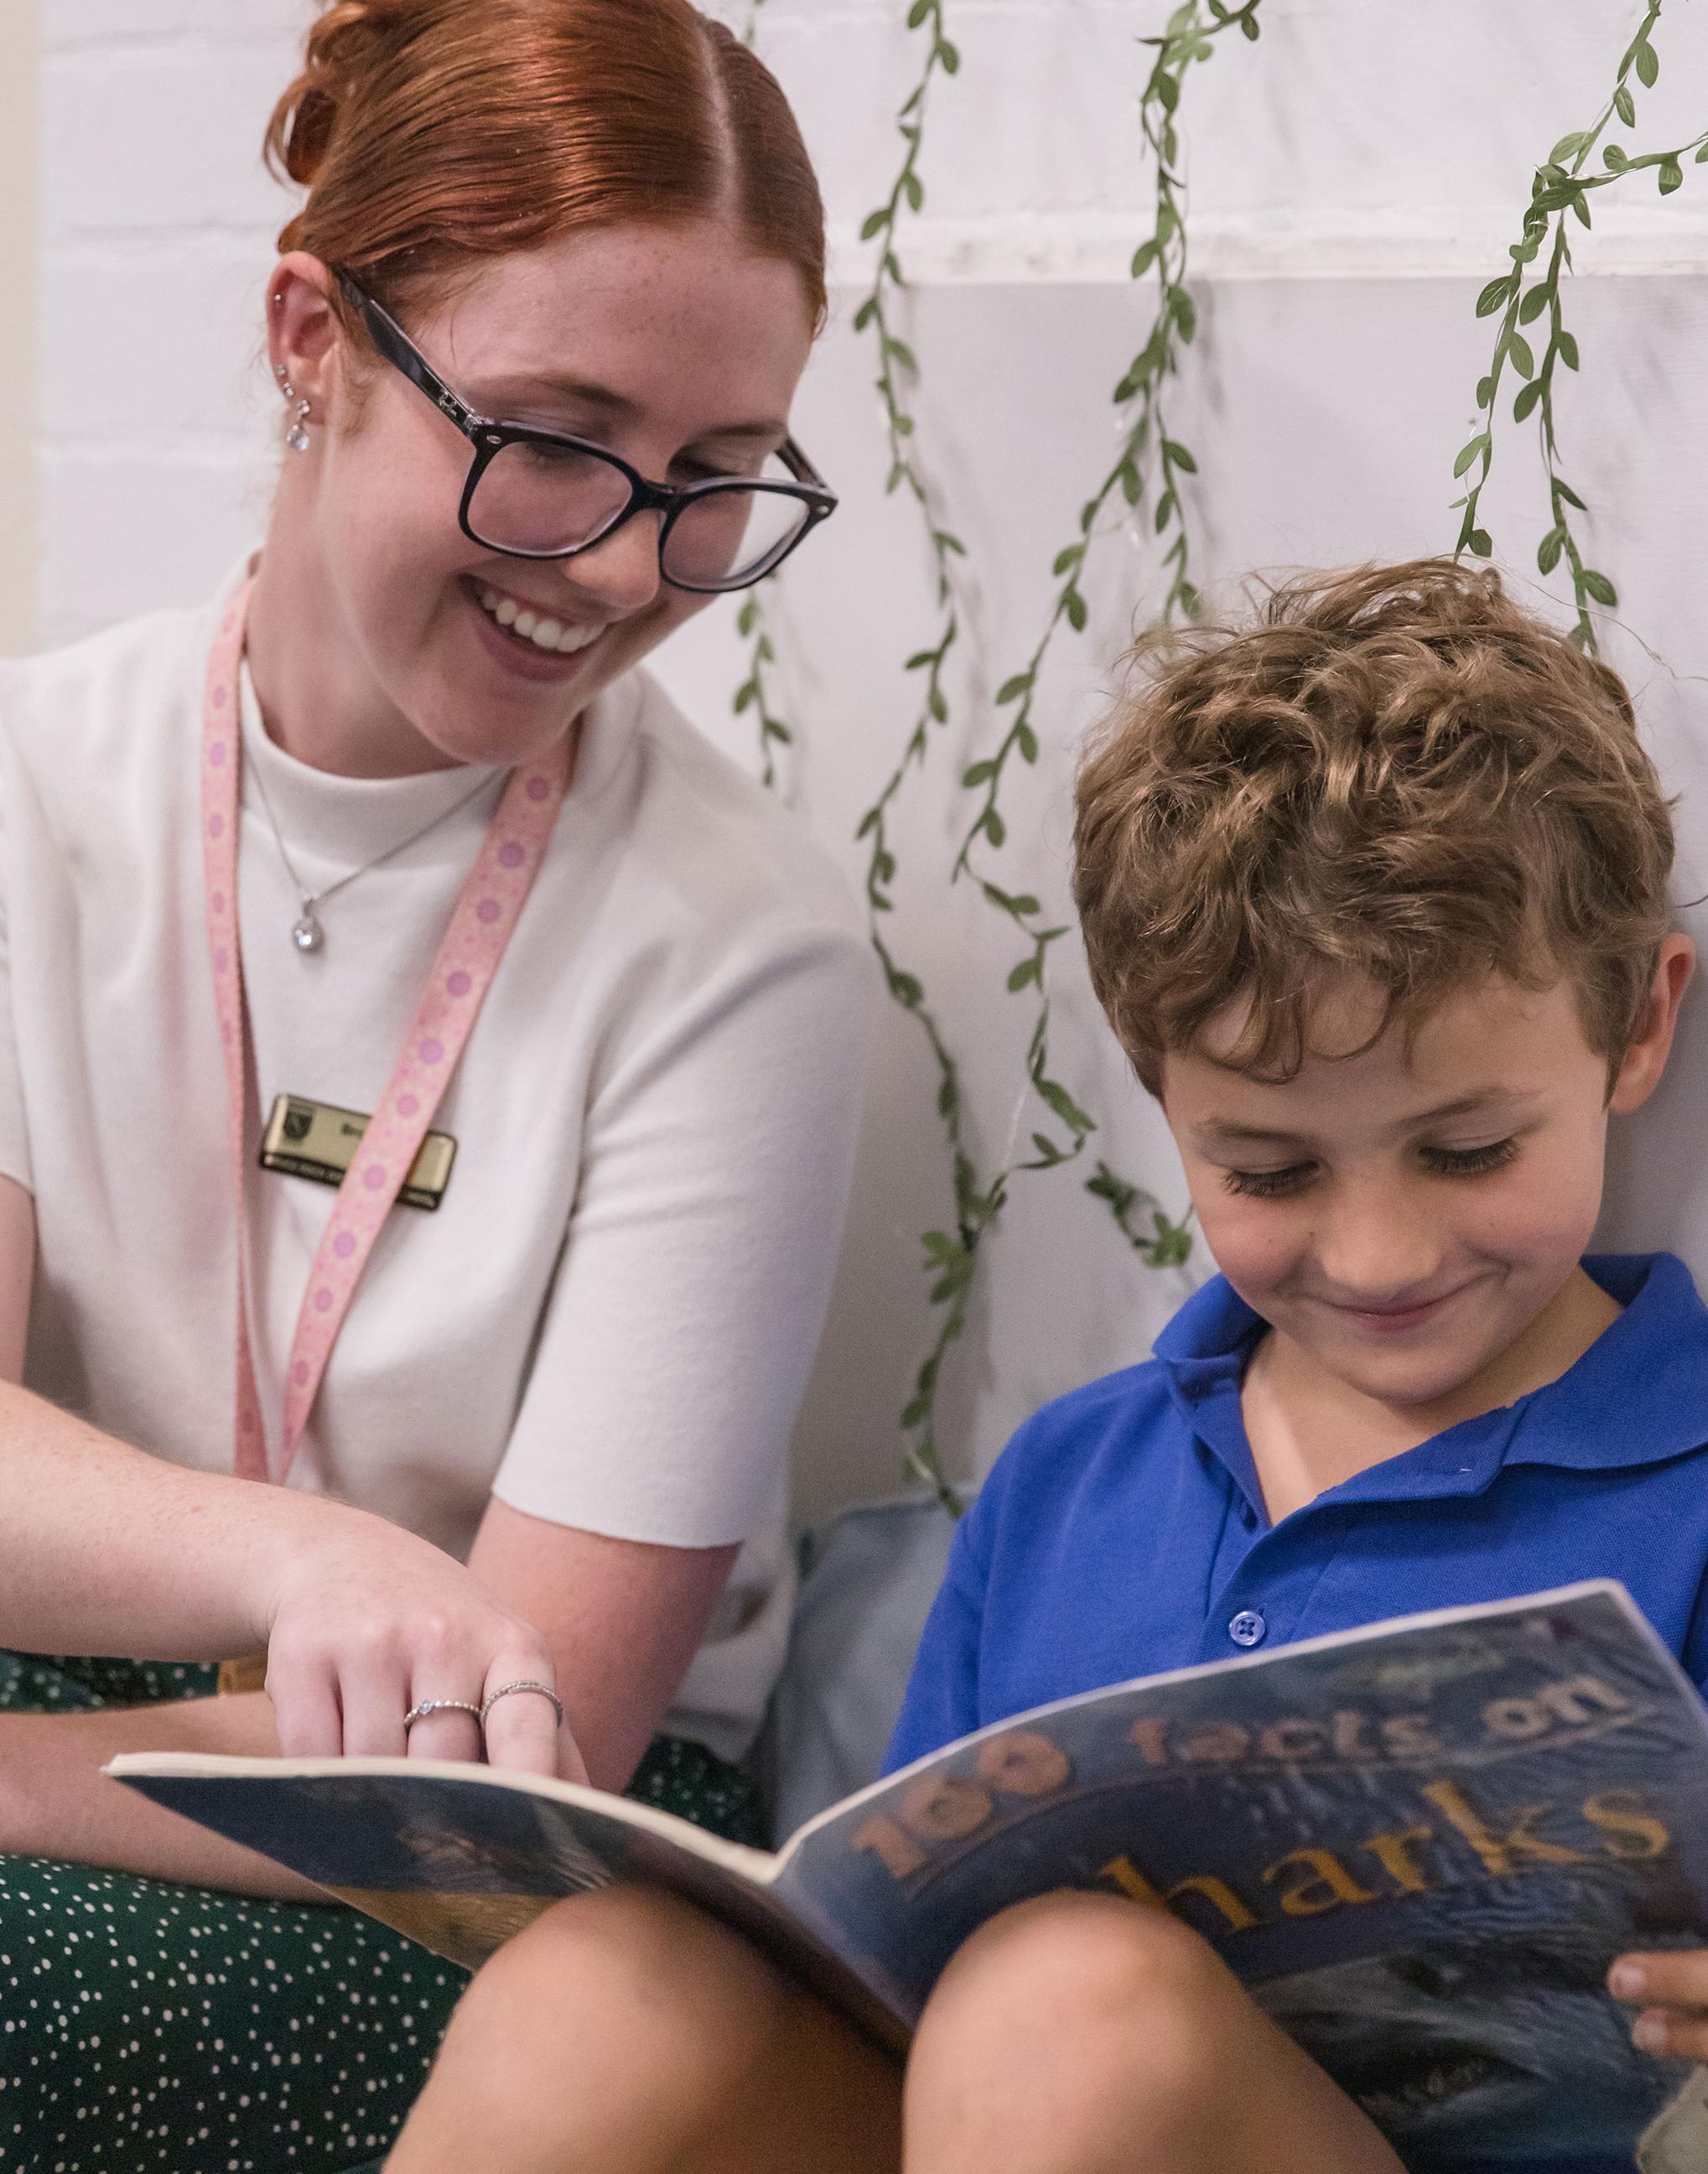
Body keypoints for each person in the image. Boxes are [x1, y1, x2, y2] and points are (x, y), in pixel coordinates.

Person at [383, 560, 1708, 2174]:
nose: (1375, 1253)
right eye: (1272, 1173)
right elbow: (891, 1964)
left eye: (1467, 1147)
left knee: (1066, 2009)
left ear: (1640, 1019)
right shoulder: (1073, 1484)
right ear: (1158, 1095)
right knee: (604, 1986)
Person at [0, 0, 872, 2164]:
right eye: (556, 434)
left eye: (709, 481)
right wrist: (306, 1560)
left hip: (491, 1853)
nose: (613, 561)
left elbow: (541, 1730)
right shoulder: (30, 792)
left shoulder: (735, 944)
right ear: (310, 334)